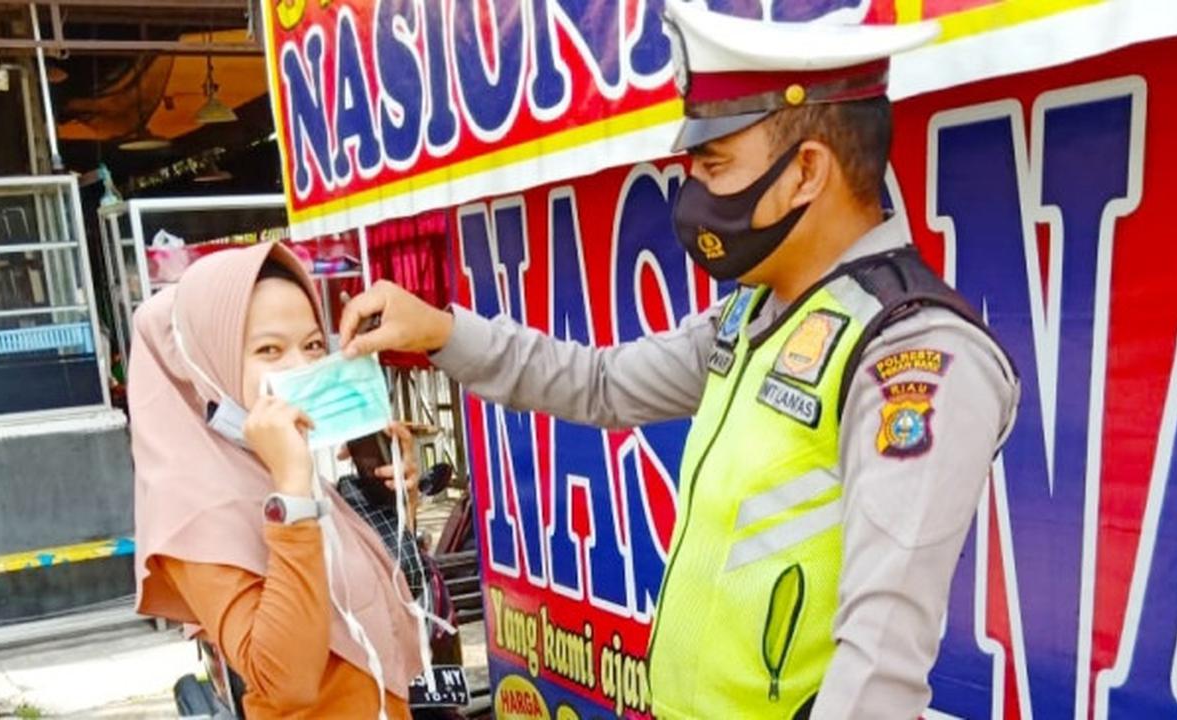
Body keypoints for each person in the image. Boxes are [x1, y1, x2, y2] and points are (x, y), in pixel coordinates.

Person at [335, 3, 1020, 719]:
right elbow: (599, 384)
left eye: (714, 166)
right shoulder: (754, 314)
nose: (696, 195)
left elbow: (879, 661)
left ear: (806, 173)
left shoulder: (912, 351)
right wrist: (442, 330)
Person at [128, 242, 426, 718]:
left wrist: (389, 505)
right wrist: (291, 492)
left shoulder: (274, 465)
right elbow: (286, 682)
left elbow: (372, 613)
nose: (301, 368)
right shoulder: (197, 510)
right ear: (210, 364)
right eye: (269, 349)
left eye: (312, 346)